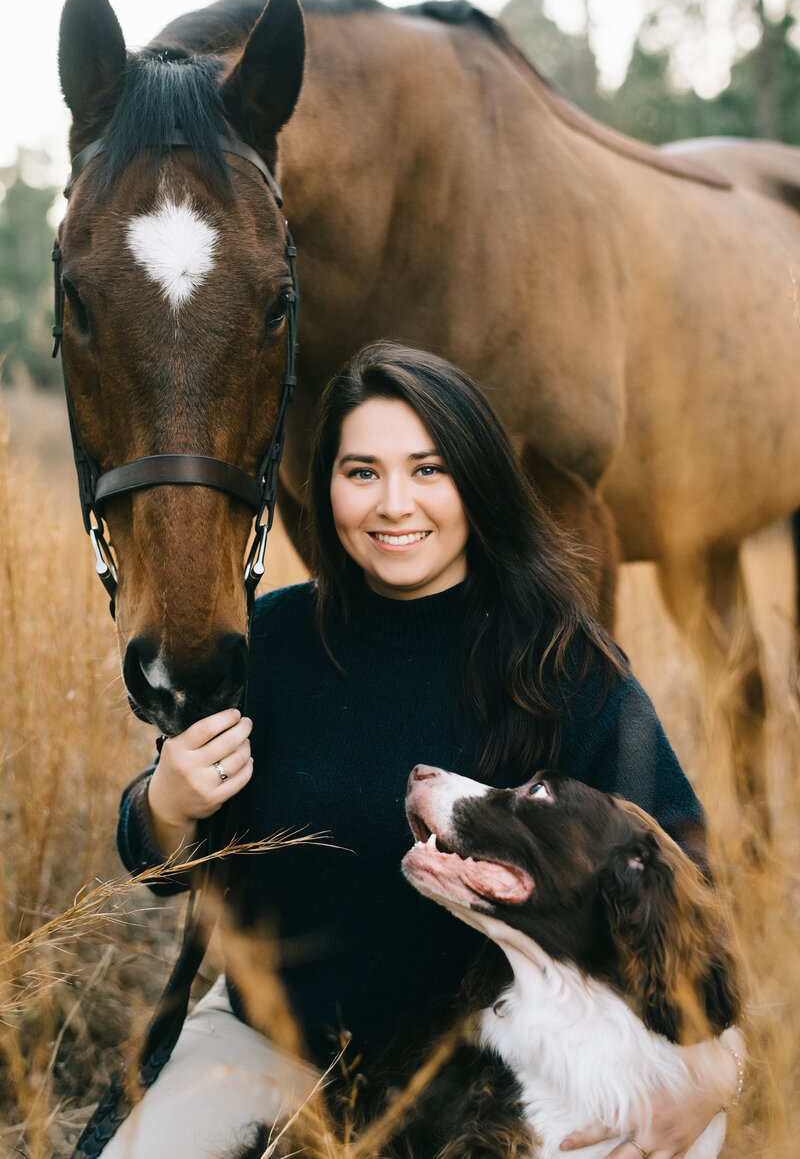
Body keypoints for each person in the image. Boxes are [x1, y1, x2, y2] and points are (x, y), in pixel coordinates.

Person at [109, 343, 743, 1159]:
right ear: (325, 487)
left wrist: (713, 1071)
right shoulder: (272, 638)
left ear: (475, 483)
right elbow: (162, 863)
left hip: (489, 1068)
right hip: (270, 1043)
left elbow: (690, 880)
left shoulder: (564, 665)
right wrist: (163, 801)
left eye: (429, 469)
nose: (393, 503)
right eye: (362, 471)